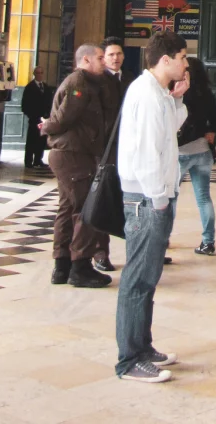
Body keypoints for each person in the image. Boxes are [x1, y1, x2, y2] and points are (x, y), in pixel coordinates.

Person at [115, 30, 190, 383]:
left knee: (148, 278)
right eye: (183, 57)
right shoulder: (145, 94)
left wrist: (178, 99)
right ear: (166, 60)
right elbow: (146, 152)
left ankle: (143, 348)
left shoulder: (158, 93)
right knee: (137, 279)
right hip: (146, 199)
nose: (186, 64)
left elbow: (168, 132)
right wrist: (159, 199)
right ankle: (130, 360)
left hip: (155, 196)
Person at [40, 43, 110, 288]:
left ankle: (62, 266)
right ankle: (80, 267)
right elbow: (63, 118)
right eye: (100, 58)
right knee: (85, 209)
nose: (104, 62)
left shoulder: (88, 83)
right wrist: (46, 126)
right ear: (86, 60)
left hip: (73, 153)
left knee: (68, 208)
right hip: (72, 154)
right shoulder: (78, 83)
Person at [94, 37, 136, 273]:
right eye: (111, 54)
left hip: (128, 147)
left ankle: (138, 250)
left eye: (119, 54)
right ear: (103, 57)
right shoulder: (98, 80)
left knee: (131, 198)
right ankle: (100, 253)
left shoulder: (130, 79)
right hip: (105, 148)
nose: (116, 58)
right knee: (102, 199)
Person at [177, 56, 216, 257]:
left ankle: (163, 238)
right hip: (202, 150)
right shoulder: (207, 93)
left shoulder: (180, 93)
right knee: (204, 198)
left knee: (170, 197)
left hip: (181, 151)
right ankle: (208, 242)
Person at [21, 66, 54, 170]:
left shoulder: (46, 87)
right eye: (38, 73)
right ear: (34, 74)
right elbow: (25, 104)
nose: (40, 75)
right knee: (31, 140)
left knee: (41, 140)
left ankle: (38, 160)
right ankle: (28, 161)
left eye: (41, 73)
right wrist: (32, 115)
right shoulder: (29, 87)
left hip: (44, 119)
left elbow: (50, 102)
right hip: (34, 119)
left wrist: (48, 115)